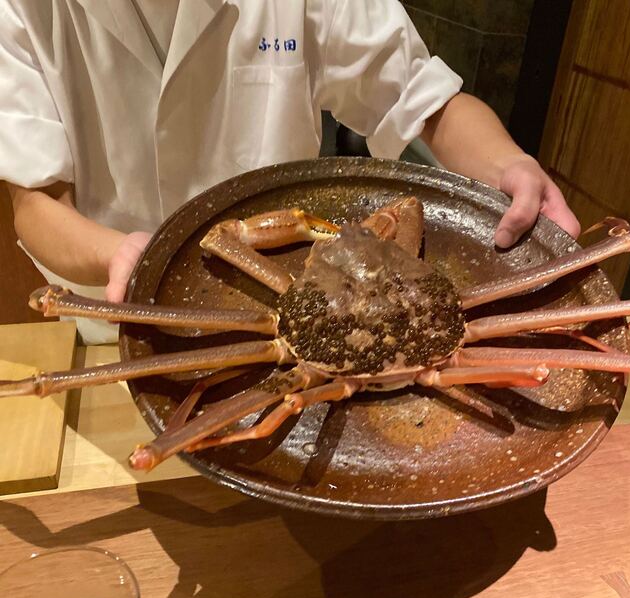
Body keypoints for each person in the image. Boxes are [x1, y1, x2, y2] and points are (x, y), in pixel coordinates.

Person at [0, 0, 580, 343]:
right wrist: (122, 254)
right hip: (125, 314)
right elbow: (35, 200)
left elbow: (424, 101)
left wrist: (508, 162)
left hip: (303, 310)